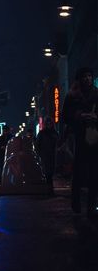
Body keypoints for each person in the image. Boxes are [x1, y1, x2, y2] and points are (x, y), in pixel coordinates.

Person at [62, 67, 98, 217]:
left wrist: (95, 117)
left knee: (95, 171)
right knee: (78, 170)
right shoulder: (72, 96)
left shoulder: (96, 93)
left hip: (95, 134)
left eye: (90, 76)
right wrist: (79, 116)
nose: (87, 79)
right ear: (80, 79)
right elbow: (65, 116)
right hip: (79, 135)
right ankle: (76, 202)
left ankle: (92, 205)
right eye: (85, 76)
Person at [35, 116, 59, 195]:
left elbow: (58, 143)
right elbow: (37, 145)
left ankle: (49, 189)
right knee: (47, 173)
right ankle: (48, 190)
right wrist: (39, 154)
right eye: (47, 123)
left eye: (50, 123)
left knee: (50, 173)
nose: (49, 124)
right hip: (45, 155)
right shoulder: (42, 133)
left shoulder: (54, 133)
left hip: (52, 155)